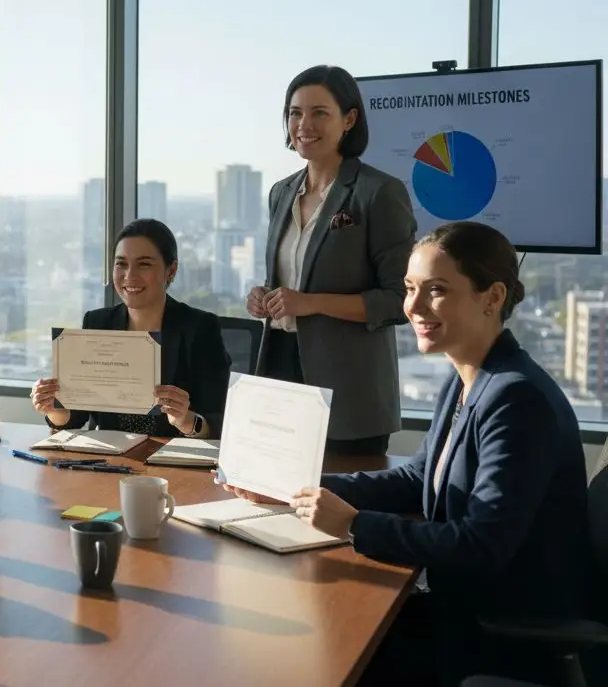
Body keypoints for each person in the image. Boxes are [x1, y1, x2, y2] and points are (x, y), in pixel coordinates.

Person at [228, 222, 591, 684]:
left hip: (497, 629)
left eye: (436, 291)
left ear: (493, 297)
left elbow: (482, 546)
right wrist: (294, 489)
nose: (414, 308)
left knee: (314, 648)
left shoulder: (517, 399)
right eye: (409, 289)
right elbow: (417, 479)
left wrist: (354, 525)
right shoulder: (469, 377)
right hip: (459, 605)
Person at [246, 65, 417, 456]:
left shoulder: (379, 193)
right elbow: (291, 278)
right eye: (295, 113)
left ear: (349, 119)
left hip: (350, 391)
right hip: (281, 376)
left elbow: (398, 300)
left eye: (319, 112)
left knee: (337, 509)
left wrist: (310, 303)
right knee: (271, 506)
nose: (304, 124)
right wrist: (265, 298)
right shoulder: (281, 192)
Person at [31, 219, 232, 437]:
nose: (129, 276)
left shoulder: (200, 329)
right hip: (108, 460)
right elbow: (76, 417)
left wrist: (186, 420)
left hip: (171, 464)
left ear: (171, 270)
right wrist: (54, 408)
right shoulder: (98, 323)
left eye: (144, 264)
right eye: (121, 264)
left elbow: (220, 423)